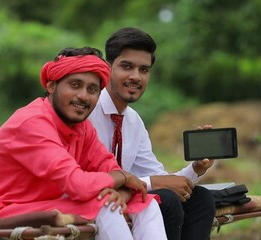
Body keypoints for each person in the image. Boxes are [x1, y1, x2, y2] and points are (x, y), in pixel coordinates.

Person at [0, 47, 167, 240]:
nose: (83, 96)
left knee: (145, 203)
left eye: (92, 89)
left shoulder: (82, 128)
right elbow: (78, 185)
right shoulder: (32, 123)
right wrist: (123, 177)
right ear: (51, 86)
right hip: (1, 211)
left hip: (47, 205)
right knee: (105, 204)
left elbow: (109, 167)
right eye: (75, 85)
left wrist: (122, 191)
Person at [87, 27, 216, 240]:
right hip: (98, 198)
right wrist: (152, 183)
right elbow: (84, 178)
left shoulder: (133, 121)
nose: (135, 76)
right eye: (126, 67)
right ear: (107, 68)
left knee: (201, 197)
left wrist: (196, 168)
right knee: (167, 198)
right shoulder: (86, 111)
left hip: (128, 197)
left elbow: (161, 178)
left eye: (144, 70)